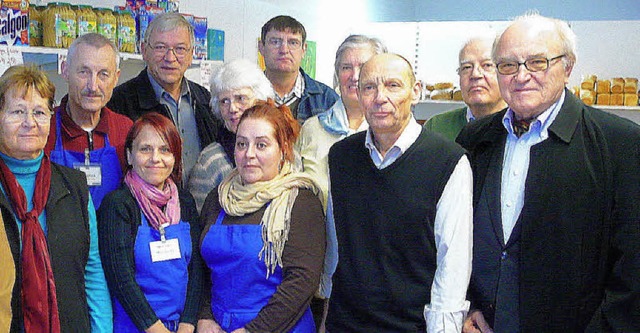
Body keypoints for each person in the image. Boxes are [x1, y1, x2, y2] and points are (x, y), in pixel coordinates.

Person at [457, 13, 640, 333]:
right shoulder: (475, 141)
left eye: (537, 62)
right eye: (508, 65)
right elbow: (460, 237)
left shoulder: (619, 145)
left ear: (567, 67)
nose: (521, 75)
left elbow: (632, 273)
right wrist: (468, 303)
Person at [325, 53, 473, 332]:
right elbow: (336, 249)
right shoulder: (341, 157)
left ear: (415, 91)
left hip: (412, 326)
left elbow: (452, 264)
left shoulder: (447, 161)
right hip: (346, 323)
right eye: (369, 87)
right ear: (358, 93)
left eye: (393, 85)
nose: (380, 97)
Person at [0, 64, 111, 332]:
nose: (30, 122)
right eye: (17, 111)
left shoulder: (74, 186)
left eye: (40, 112)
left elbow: (92, 272)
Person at [197, 100, 325, 333]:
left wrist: (252, 331)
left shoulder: (300, 202)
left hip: (280, 327)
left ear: (283, 149)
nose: (249, 154)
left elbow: (301, 282)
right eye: (242, 144)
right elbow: (201, 270)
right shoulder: (218, 199)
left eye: (262, 145)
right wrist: (204, 315)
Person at [294, 34, 386, 331]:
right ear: (336, 73)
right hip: (321, 270)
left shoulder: (390, 134)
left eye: (364, 66)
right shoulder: (313, 129)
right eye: (346, 67)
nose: (355, 75)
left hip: (381, 276)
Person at [98, 112, 203, 333]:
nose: (156, 158)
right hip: (136, 327)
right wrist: (155, 328)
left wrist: (187, 323)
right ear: (129, 156)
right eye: (145, 149)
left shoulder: (185, 201)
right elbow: (121, 278)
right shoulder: (118, 204)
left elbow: (196, 270)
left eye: (165, 149)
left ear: (175, 158)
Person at [107, 12, 221, 183]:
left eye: (180, 49)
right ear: (144, 50)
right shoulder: (119, 102)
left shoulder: (206, 100)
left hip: (198, 207)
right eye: (160, 47)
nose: (170, 58)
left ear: (192, 55)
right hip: (144, 207)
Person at [45, 33, 133, 209]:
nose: (93, 86)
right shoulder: (44, 128)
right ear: (65, 71)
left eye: (103, 74)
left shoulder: (126, 130)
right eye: (84, 72)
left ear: (116, 78)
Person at [188, 59, 274, 213]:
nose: (232, 108)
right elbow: (202, 226)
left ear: (260, 99)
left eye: (240, 98)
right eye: (224, 101)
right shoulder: (209, 161)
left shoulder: (283, 149)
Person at [423, 35, 506, 141]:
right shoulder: (436, 126)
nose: (475, 74)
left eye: (487, 65)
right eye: (466, 67)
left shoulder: (519, 126)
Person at [259, 15, 338, 123]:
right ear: (261, 47)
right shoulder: (245, 95)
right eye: (275, 42)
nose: (284, 50)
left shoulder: (327, 99)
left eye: (293, 43)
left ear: (304, 50)